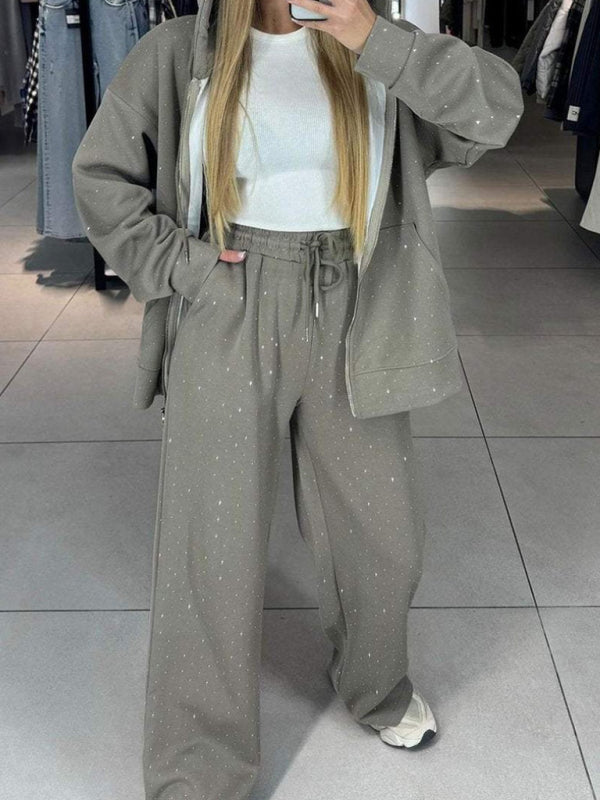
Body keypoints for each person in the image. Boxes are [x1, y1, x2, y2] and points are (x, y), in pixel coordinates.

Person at [72, 1, 524, 798]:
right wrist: (183, 266)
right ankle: (198, 764)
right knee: (210, 547)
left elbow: (496, 110)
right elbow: (100, 178)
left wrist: (373, 37)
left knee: (383, 534)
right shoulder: (177, 51)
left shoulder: (377, 45)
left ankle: (375, 683)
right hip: (229, 298)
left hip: (356, 297)